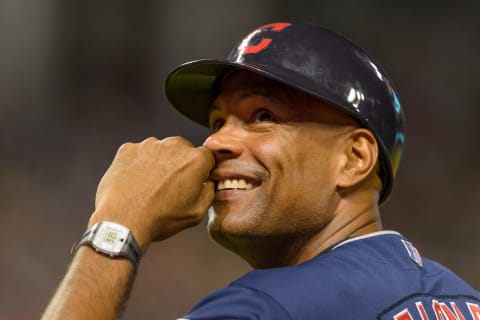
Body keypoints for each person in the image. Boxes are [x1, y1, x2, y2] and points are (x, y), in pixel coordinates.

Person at [42, 22, 479, 320]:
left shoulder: (267, 307)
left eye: (263, 116)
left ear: (355, 159)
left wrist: (117, 223)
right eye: (217, 122)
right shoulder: (464, 299)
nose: (215, 143)